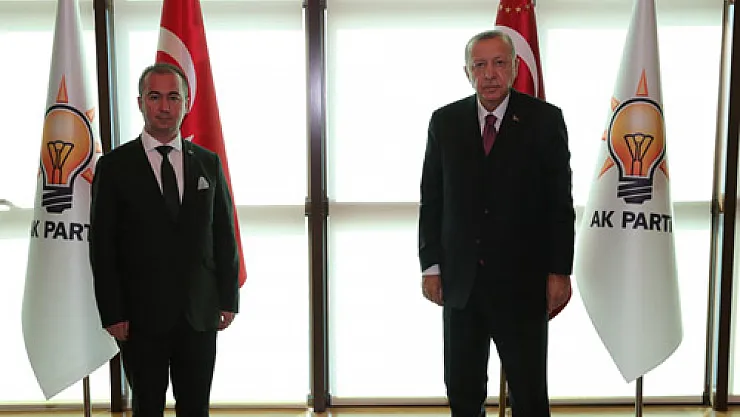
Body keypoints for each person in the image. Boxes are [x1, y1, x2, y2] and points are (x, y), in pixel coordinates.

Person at [418, 30, 575, 417]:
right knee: (462, 391)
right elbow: (432, 200)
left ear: (515, 68)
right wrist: (431, 266)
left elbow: (559, 204)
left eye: (499, 63)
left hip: (523, 284)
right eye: (480, 65)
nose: (490, 73)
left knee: (529, 394)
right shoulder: (445, 122)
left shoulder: (544, 121)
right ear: (467, 72)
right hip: (461, 284)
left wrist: (559, 271)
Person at [89, 62, 240, 417]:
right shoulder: (114, 167)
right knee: (147, 408)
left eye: (173, 97)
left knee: (196, 408)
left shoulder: (208, 163)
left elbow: (223, 236)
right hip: (139, 318)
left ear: (186, 103)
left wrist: (228, 297)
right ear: (140, 102)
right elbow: (103, 247)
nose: (164, 107)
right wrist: (112, 312)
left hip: (199, 314)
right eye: (154, 97)